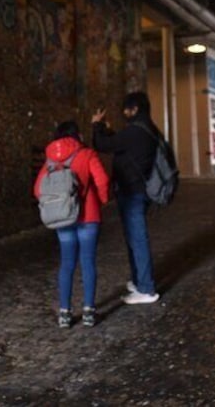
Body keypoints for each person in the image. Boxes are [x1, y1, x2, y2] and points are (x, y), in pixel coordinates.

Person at [34, 120, 110, 328]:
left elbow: (38, 190)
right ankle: (88, 311)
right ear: (77, 135)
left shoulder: (50, 160)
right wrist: (101, 200)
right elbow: (102, 180)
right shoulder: (87, 154)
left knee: (67, 263)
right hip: (89, 216)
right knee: (87, 261)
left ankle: (65, 313)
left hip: (63, 218)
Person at [91, 91, 160, 305]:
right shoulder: (147, 129)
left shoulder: (135, 132)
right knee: (133, 238)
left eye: (126, 109)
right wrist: (107, 129)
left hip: (133, 192)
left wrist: (96, 125)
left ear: (134, 109)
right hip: (137, 190)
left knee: (137, 239)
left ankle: (147, 288)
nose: (124, 113)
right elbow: (119, 144)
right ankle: (140, 281)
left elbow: (103, 145)